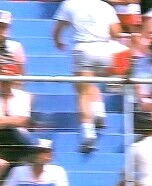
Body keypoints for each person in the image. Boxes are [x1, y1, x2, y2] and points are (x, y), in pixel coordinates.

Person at [52, 0, 124, 153]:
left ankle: (88, 133)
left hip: (83, 47)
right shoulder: (106, 6)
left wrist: (57, 41)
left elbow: (58, 28)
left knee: (82, 91)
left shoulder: (69, 4)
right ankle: (98, 111)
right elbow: (116, 32)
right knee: (92, 82)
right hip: (104, 49)